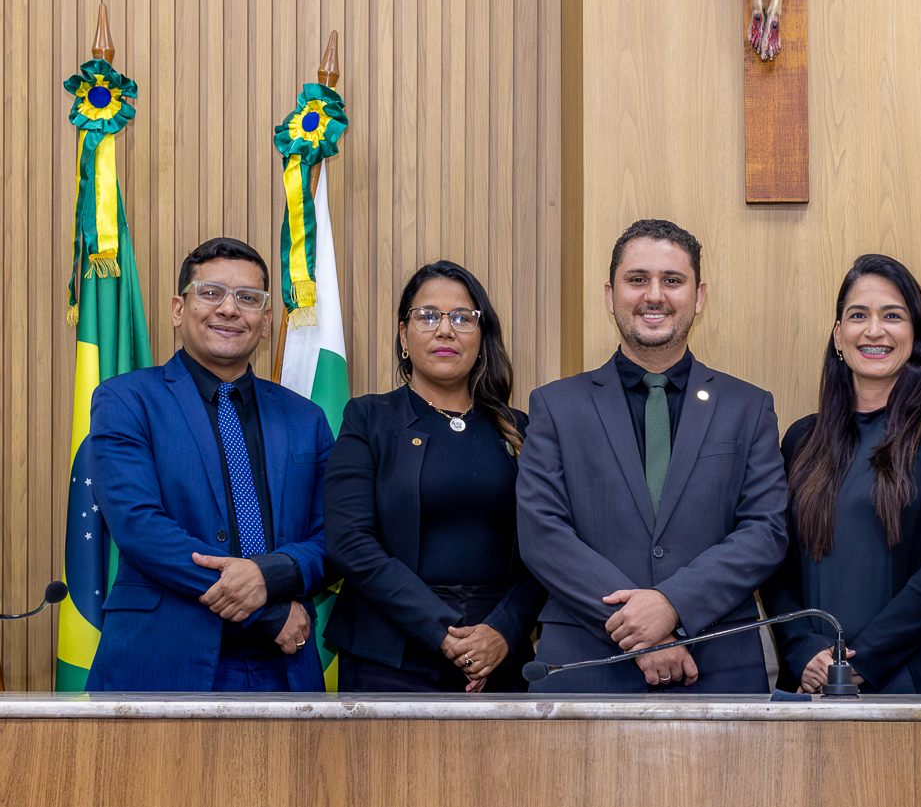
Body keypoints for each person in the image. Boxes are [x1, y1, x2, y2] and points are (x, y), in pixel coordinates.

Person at [516, 218, 788, 693]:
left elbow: (765, 530)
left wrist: (673, 604)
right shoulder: (555, 405)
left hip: (717, 661)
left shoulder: (748, 405)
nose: (654, 295)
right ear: (610, 294)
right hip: (585, 662)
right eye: (637, 279)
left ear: (699, 297)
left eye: (672, 281)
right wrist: (639, 629)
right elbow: (542, 533)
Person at [86, 238, 333, 691]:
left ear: (265, 321)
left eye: (248, 298)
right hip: (163, 659)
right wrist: (265, 608)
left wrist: (268, 577)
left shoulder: (307, 419)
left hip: (283, 669)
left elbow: (334, 535)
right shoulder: (125, 399)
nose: (229, 309)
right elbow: (139, 527)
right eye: (211, 292)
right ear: (179, 309)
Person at [761, 254, 921, 694]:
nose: (874, 330)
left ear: (916, 334)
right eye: (858, 315)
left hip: (920, 683)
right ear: (838, 337)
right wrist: (802, 649)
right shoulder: (800, 440)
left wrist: (860, 661)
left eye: (893, 315)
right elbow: (775, 564)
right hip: (813, 683)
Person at [324, 261, 546, 692]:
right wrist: (442, 632)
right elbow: (349, 543)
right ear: (404, 336)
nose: (446, 330)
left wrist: (504, 631)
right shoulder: (368, 419)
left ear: (482, 337)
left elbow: (551, 541)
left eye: (463, 318)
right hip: (387, 659)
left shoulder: (524, 428)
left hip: (500, 657)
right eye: (428, 316)